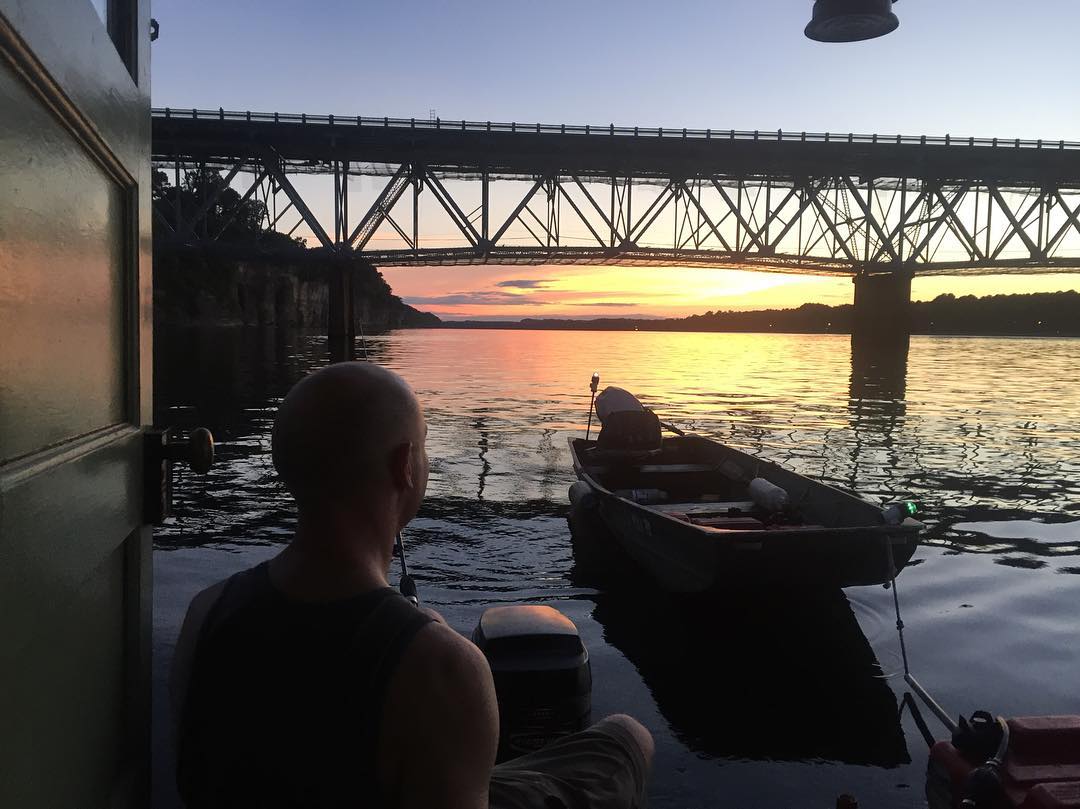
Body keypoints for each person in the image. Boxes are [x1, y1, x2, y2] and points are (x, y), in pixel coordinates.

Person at [171, 362, 653, 809]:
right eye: (423, 444)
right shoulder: (444, 668)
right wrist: (429, 645)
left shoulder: (205, 611)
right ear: (405, 465)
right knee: (628, 737)